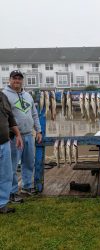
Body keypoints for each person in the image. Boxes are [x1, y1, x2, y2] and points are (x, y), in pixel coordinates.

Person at [3, 70, 42, 200]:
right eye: (14, 78)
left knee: (29, 163)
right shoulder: (4, 95)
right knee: (12, 166)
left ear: (22, 80)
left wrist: (39, 130)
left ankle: (26, 186)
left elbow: (34, 114)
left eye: (19, 79)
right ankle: (12, 191)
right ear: (9, 79)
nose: (17, 81)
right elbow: (5, 116)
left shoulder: (28, 95)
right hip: (13, 137)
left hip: (29, 135)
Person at [0, 91, 23, 214]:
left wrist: (18, 134)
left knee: (6, 175)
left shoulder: (3, 96)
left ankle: (2, 204)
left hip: (5, 142)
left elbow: (10, 117)